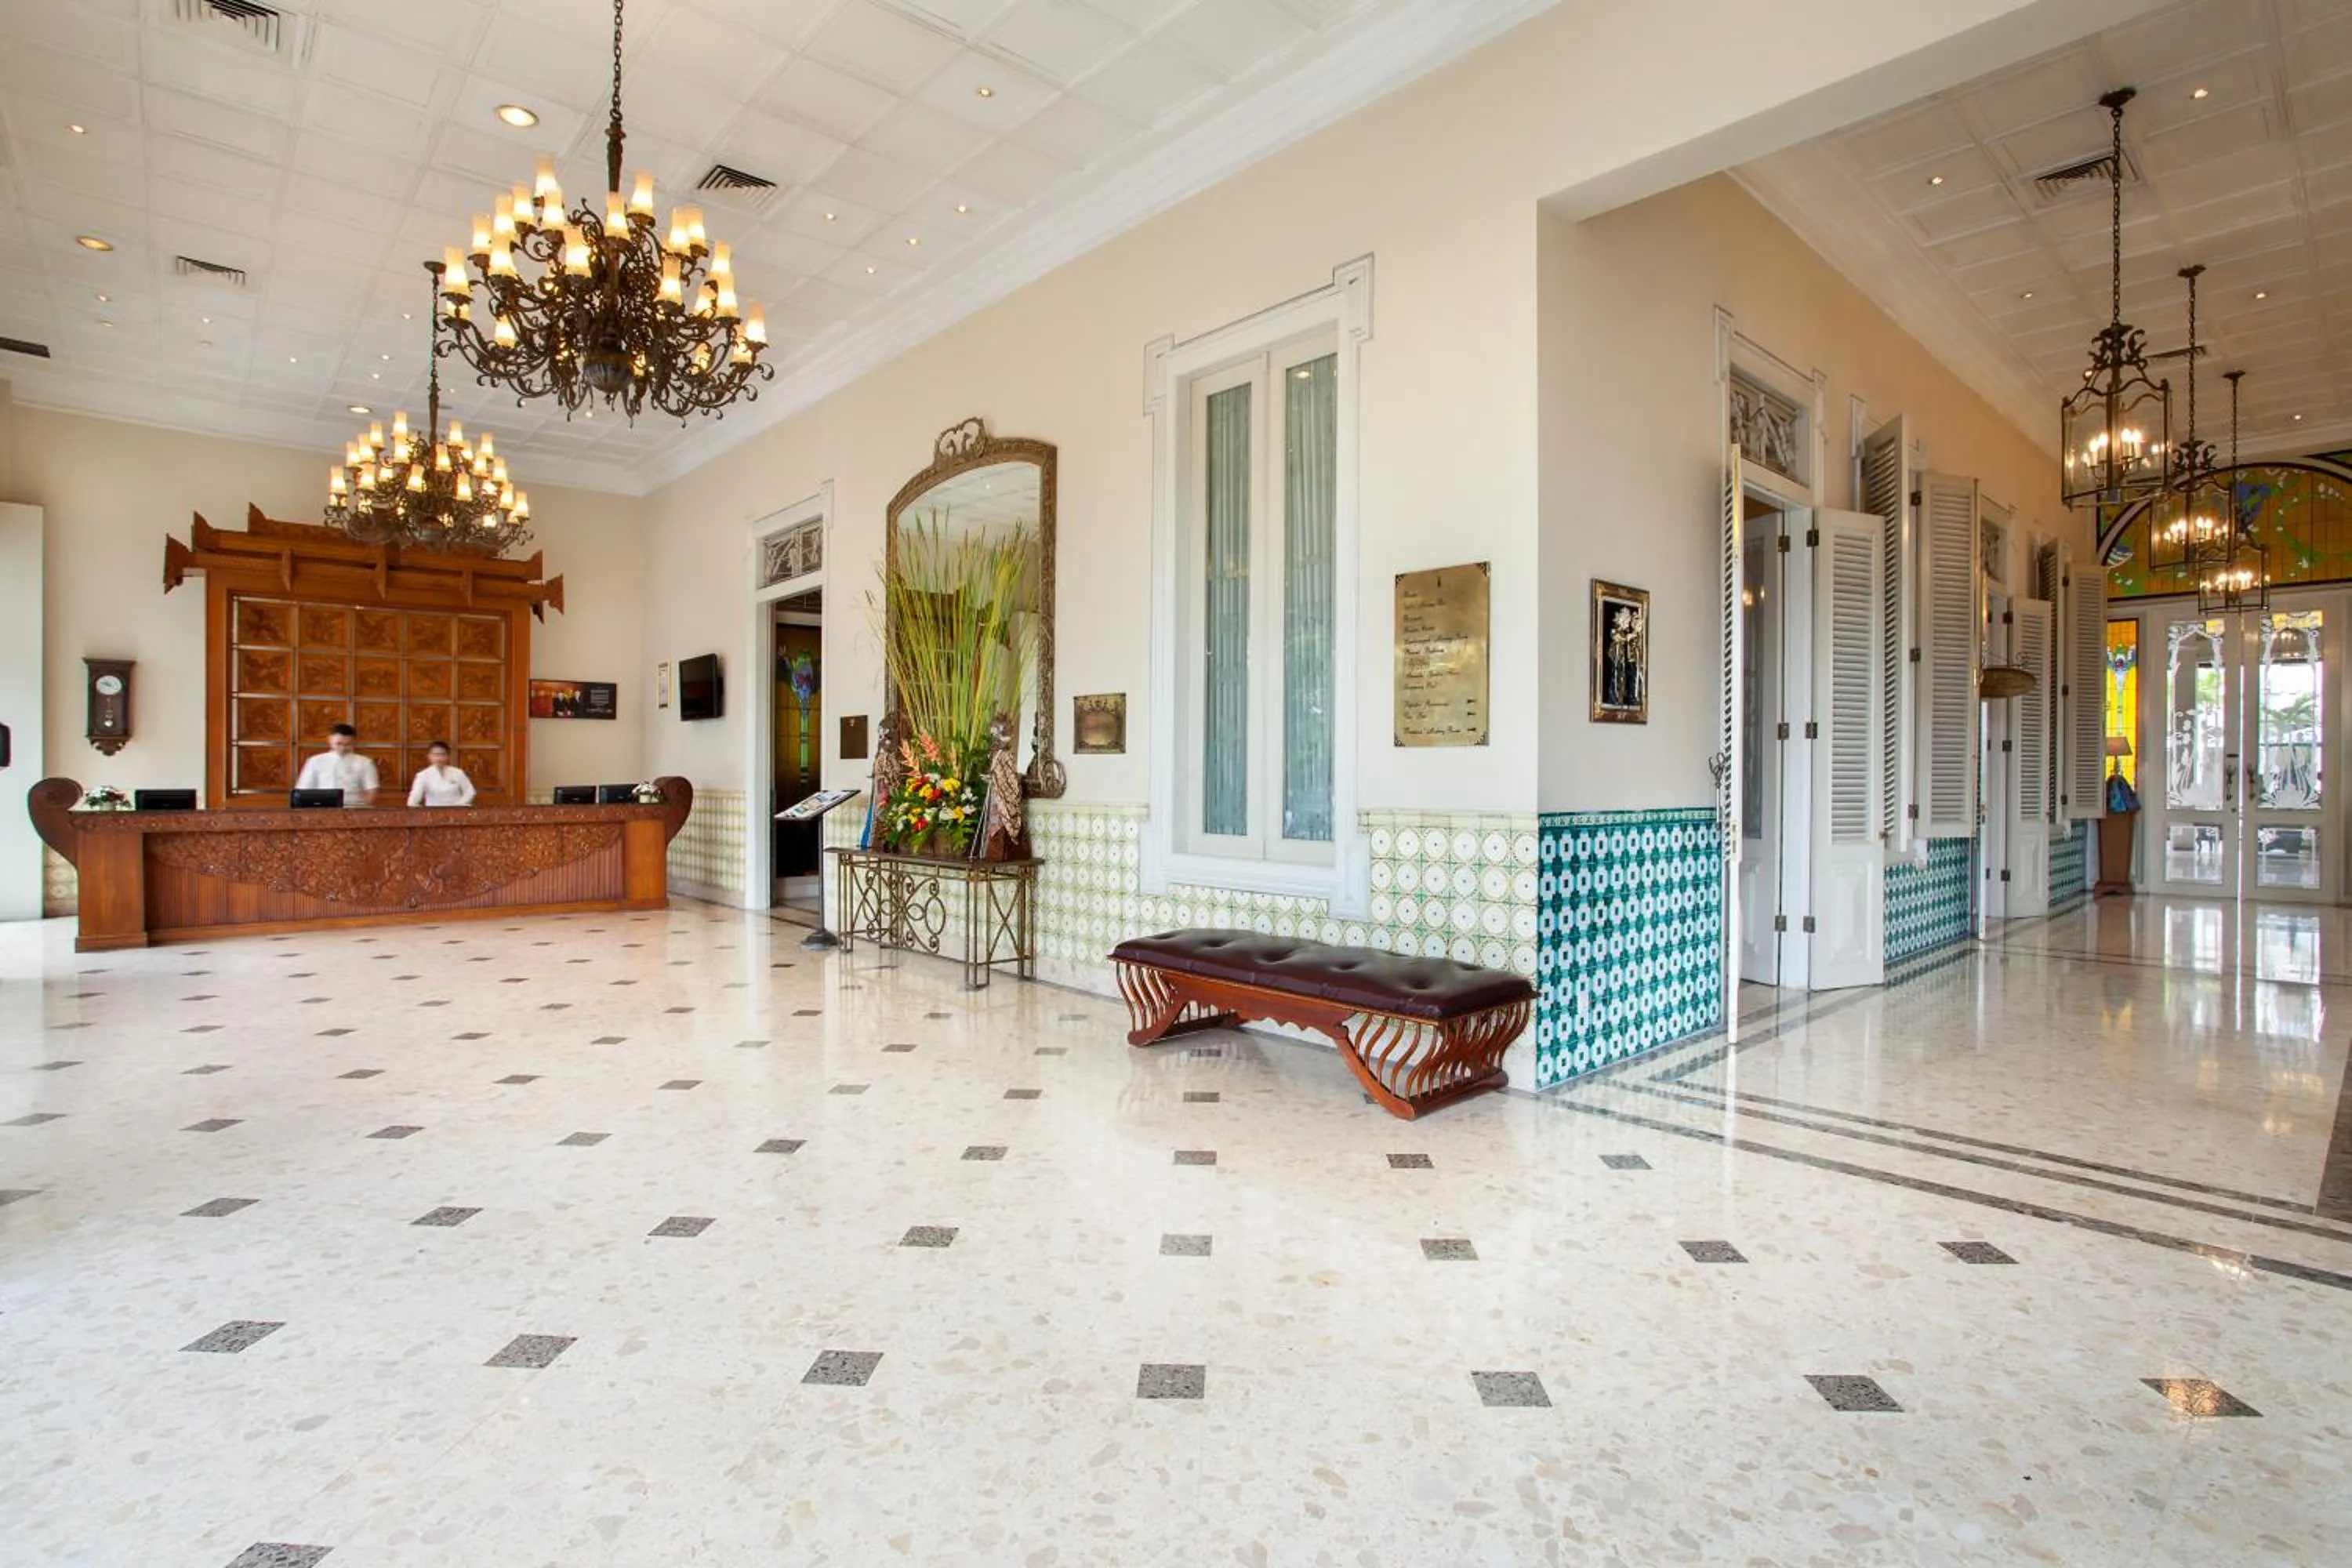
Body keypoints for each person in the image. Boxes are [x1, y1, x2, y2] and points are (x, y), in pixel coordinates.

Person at [294, 723, 378, 806]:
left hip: (355, 809)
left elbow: (371, 792)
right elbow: (303, 791)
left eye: (347, 745)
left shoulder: (365, 762)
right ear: (330, 740)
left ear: (354, 742)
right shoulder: (315, 761)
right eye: (338, 744)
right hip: (322, 809)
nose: (343, 748)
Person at [407, 740, 477, 808]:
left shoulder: (458, 772)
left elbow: (470, 792)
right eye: (435, 755)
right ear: (429, 756)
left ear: (448, 756)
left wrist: (457, 806)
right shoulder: (423, 775)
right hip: (433, 812)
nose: (439, 758)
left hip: (457, 810)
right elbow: (414, 798)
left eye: (443, 754)